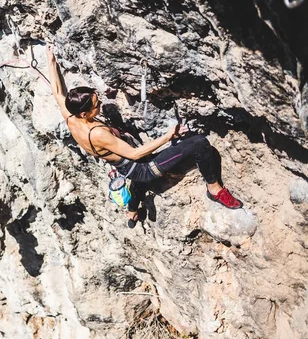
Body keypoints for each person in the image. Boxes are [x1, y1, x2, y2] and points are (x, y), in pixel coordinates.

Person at [45, 46, 242, 227]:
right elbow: (136, 153)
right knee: (199, 144)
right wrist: (169, 135)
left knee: (137, 179)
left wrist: (51, 60)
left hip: (125, 168)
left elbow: (57, 91)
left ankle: (132, 212)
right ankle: (214, 189)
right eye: (96, 105)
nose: (100, 104)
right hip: (143, 167)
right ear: (84, 114)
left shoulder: (70, 116)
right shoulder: (96, 134)